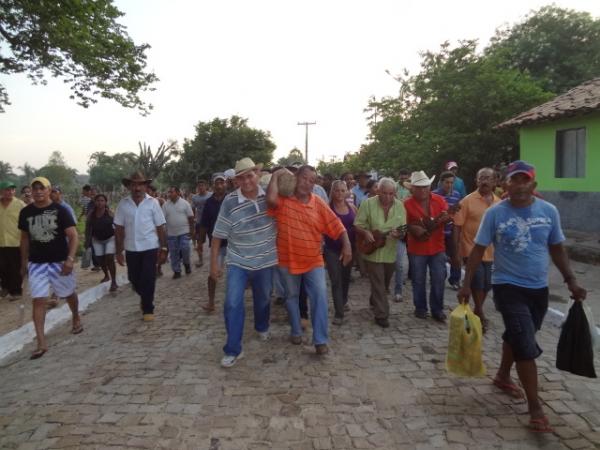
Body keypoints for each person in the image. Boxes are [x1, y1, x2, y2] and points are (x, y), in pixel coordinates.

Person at [458, 160, 586, 433]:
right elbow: (478, 250)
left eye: (523, 180)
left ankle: (503, 375)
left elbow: (556, 247)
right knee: (525, 343)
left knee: (517, 335)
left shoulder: (549, 211)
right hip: (507, 286)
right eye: (513, 180)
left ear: (533, 184)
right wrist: (466, 283)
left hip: (538, 289)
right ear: (505, 184)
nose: (518, 185)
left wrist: (571, 280)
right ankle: (536, 408)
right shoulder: (495, 213)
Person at [268, 165, 352, 355]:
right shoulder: (283, 200)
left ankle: (320, 340)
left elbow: (336, 225)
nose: (307, 183)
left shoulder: (318, 203)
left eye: (312, 181)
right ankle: (296, 329)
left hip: (313, 260)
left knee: (320, 297)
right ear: (296, 177)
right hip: (287, 259)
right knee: (291, 296)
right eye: (304, 178)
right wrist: (276, 175)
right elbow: (270, 199)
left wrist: (347, 245)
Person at [211, 158, 278, 368]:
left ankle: (261, 325)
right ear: (236, 181)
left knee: (263, 299)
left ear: (257, 175)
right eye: (241, 177)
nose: (247, 181)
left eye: (250, 175)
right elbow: (217, 236)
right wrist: (214, 264)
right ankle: (233, 349)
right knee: (232, 302)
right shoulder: (230, 202)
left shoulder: (269, 195)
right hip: (238, 260)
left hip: (266, 259)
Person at [18, 177, 83, 359]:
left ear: (48, 190)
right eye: (35, 188)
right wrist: (23, 262)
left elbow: (73, 236)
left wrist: (70, 259)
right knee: (38, 300)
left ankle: (76, 316)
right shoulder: (26, 213)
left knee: (68, 293)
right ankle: (41, 342)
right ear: (31, 191)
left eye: (42, 188)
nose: (38, 191)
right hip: (37, 263)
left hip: (59, 261)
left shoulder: (60, 211)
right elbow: (24, 238)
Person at [114, 172, 167, 321]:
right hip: (131, 248)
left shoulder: (153, 203)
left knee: (148, 278)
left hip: (150, 246)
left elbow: (160, 226)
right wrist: (118, 251)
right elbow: (118, 229)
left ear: (145, 186)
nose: (137, 188)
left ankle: (148, 308)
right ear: (129, 186)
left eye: (140, 184)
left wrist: (163, 248)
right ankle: (144, 298)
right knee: (134, 278)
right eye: (134, 185)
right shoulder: (123, 204)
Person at [452, 167, 500, 331]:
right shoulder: (467, 201)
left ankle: (477, 309)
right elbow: (457, 226)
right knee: (477, 281)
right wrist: (457, 250)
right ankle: (479, 312)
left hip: (491, 251)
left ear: (495, 182)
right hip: (470, 248)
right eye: (481, 178)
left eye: (488, 178)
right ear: (476, 181)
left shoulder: (499, 203)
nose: (484, 181)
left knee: (487, 284)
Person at [354, 177, 406, 327]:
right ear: (378, 191)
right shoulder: (367, 204)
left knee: (384, 283)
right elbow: (357, 225)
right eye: (384, 193)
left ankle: (374, 299)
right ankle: (382, 314)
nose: (388, 197)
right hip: (372, 251)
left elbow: (404, 228)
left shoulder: (400, 206)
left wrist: (399, 234)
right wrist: (365, 232)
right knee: (378, 282)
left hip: (390, 251)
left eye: (391, 193)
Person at [404, 171, 452, 322]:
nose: (423, 190)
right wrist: (413, 228)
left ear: (429, 186)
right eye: (419, 187)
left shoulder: (439, 200)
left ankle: (437, 310)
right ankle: (420, 308)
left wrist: (446, 218)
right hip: (417, 248)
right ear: (412, 189)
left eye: (425, 186)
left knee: (439, 278)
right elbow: (402, 225)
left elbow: (449, 216)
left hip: (437, 246)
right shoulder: (406, 204)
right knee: (418, 279)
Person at [324, 180, 357, 325]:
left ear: (346, 192)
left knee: (345, 278)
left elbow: (357, 226)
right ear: (332, 192)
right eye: (337, 190)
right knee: (336, 280)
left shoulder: (352, 208)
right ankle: (339, 313)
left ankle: (343, 301)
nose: (340, 193)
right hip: (332, 249)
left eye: (343, 191)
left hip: (349, 249)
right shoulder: (327, 208)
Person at [199, 173, 228, 313]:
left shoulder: (231, 199)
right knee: (213, 273)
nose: (219, 185)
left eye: (222, 182)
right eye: (217, 183)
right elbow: (204, 223)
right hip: (217, 243)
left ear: (226, 184)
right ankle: (211, 302)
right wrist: (200, 242)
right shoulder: (209, 202)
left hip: (233, 243)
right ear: (213, 185)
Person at [432, 171, 463, 289]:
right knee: (439, 258)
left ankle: (455, 280)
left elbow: (459, 213)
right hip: (438, 232)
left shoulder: (456, 195)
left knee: (455, 255)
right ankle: (439, 277)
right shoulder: (434, 195)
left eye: (451, 183)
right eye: (447, 182)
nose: (449, 185)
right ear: (441, 182)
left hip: (452, 231)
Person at [86, 194, 118, 291]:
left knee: (109, 257)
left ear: (105, 202)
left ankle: (114, 281)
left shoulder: (110, 213)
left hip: (110, 238)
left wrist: (119, 240)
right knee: (100, 259)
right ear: (95, 202)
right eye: (98, 201)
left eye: (102, 200)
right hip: (97, 240)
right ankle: (106, 275)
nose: (100, 203)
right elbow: (88, 228)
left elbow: (117, 226)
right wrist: (87, 241)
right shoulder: (91, 214)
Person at [0, 181, 26, 300]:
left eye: (12, 189)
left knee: (15, 267)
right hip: (1, 241)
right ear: (1, 191)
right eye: (7, 189)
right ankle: (5, 287)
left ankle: (16, 291)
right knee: (2, 266)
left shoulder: (20, 204)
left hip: (15, 241)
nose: (10, 192)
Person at [163, 186, 194, 279]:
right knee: (173, 253)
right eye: (168, 192)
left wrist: (192, 230)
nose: (169, 194)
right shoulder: (165, 205)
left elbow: (191, 217)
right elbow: (162, 219)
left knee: (185, 249)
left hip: (184, 232)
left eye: (171, 192)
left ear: (177, 192)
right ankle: (177, 271)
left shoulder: (185, 203)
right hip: (171, 234)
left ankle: (187, 264)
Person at [394, 168, 412, 302]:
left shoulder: (412, 189)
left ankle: (398, 289)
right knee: (394, 262)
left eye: (406, 176)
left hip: (406, 225)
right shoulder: (393, 186)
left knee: (400, 262)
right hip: (393, 224)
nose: (403, 178)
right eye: (402, 175)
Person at [191, 180, 212, 267]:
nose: (201, 187)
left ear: (206, 186)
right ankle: (200, 259)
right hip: (200, 222)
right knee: (199, 242)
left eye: (202, 185)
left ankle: (216, 257)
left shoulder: (211, 195)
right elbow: (192, 208)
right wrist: (194, 218)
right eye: (199, 186)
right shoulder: (195, 198)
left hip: (211, 221)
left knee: (214, 240)